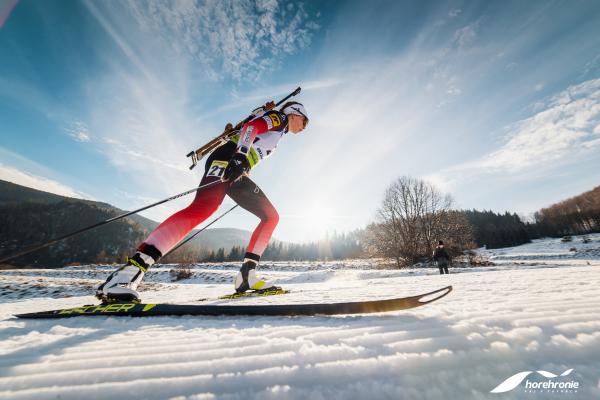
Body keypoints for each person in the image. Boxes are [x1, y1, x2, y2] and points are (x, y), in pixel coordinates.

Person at [96, 101, 309, 302]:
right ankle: (126, 275)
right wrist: (240, 155)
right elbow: (250, 129)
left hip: (238, 168)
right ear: (295, 113)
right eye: (304, 121)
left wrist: (243, 161)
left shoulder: (279, 129)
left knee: (270, 216)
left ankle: (247, 276)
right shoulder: (279, 117)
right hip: (228, 159)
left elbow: (250, 126)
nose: (304, 127)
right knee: (202, 209)